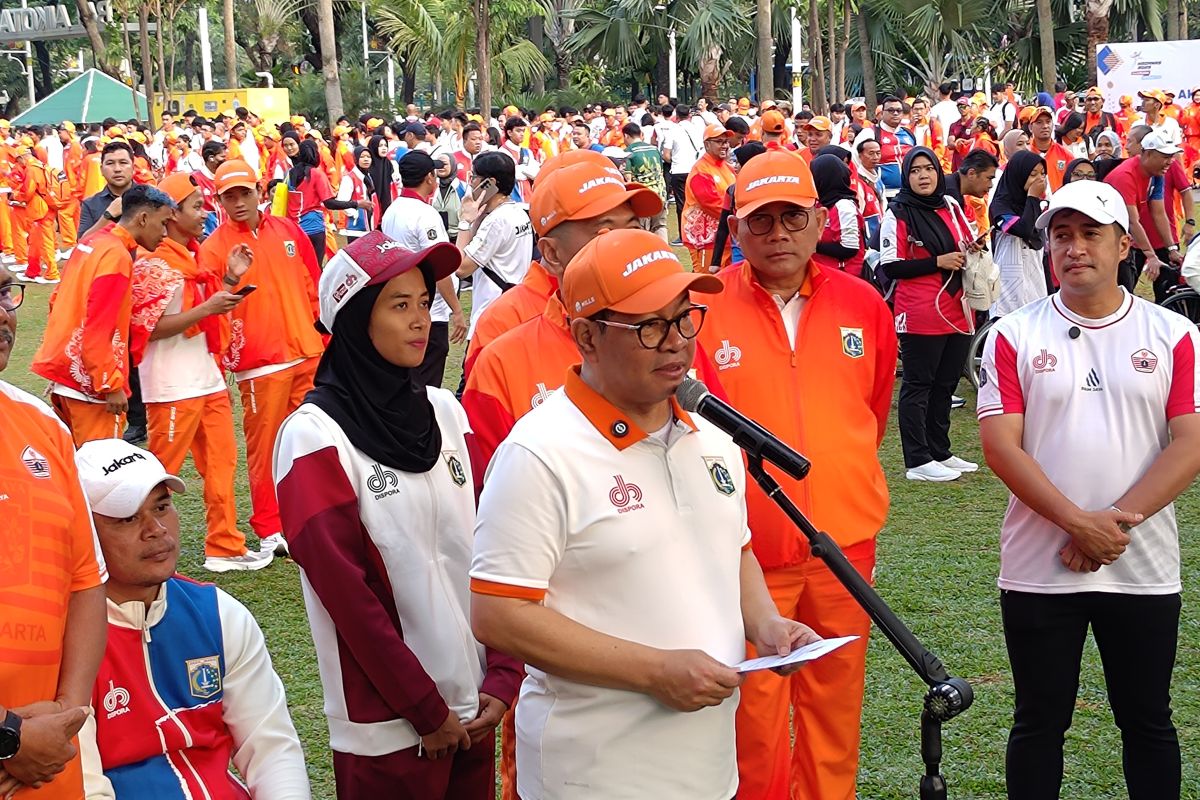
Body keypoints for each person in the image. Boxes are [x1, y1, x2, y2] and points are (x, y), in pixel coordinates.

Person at [470, 227, 820, 800]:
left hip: (706, 767)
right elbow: (499, 614)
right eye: (649, 327)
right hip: (593, 775)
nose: (677, 343)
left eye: (685, 319)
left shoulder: (709, 435)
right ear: (585, 336)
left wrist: (767, 626)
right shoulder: (539, 453)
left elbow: (732, 549)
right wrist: (654, 671)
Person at [274, 233, 521, 799]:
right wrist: (424, 708)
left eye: (424, 301)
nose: (421, 320)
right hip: (388, 729)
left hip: (475, 702)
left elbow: (495, 544)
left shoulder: (446, 412)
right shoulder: (314, 437)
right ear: (355, 319)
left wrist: (502, 676)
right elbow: (347, 594)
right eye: (399, 304)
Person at [978, 180, 1200, 800]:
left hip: (1142, 564)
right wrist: (1077, 523)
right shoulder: (1013, 334)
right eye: (1061, 235)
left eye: (1090, 233)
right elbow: (1001, 447)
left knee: (1147, 721)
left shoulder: (1174, 334)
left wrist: (1110, 525)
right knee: (1039, 722)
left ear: (1123, 243)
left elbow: (1191, 444)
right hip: (1039, 568)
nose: (1074, 248)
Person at [692, 150, 897, 800]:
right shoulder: (704, 309)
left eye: (792, 217)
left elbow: (871, 410)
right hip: (748, 556)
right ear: (736, 225)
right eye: (761, 221)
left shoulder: (863, 306)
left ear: (817, 218)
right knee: (753, 723)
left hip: (843, 550)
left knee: (835, 716)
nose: (778, 234)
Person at [71, 439, 308, 799]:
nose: (156, 529)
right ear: (82, 533)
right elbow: (84, 787)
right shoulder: (63, 638)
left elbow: (271, 748)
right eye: (128, 518)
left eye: (162, 507)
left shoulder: (218, 612)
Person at [130, 173, 273, 573]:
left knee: (222, 464)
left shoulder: (189, 257)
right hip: (172, 385)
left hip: (205, 378)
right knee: (160, 473)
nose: (204, 212)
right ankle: (138, 547)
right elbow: (149, 328)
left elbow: (200, 306)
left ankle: (224, 546)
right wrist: (210, 308)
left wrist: (229, 279)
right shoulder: (153, 262)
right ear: (171, 214)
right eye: (196, 206)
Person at [0, 268, 107, 800]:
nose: (3, 311)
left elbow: (86, 579)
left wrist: (66, 717)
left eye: (4, 291)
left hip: (46, 761)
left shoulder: (43, 426)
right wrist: (9, 737)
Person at [197, 159, 324, 558]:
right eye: (228, 196)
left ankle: (312, 512)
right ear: (217, 200)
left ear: (260, 191)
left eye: (244, 193)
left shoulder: (287, 229)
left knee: (311, 440)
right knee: (265, 448)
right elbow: (208, 306)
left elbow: (311, 281)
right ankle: (270, 526)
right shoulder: (214, 248)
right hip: (260, 363)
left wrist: (322, 331)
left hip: (306, 352)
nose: (238, 202)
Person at [31, 185, 175, 445]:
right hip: (90, 387)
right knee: (100, 471)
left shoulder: (92, 242)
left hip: (66, 374)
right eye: (163, 223)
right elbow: (99, 325)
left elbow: (56, 300)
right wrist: (110, 384)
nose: (165, 233)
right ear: (143, 218)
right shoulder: (116, 256)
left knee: (77, 466)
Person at [881, 147, 977, 482]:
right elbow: (889, 265)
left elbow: (963, 241)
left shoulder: (950, 204)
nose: (924, 176)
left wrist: (971, 250)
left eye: (929, 169)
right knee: (919, 384)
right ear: (906, 176)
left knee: (945, 383)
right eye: (915, 170)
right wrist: (937, 261)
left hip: (956, 306)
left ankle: (940, 451)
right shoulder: (899, 212)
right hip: (921, 309)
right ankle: (917, 460)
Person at [381, 151, 468, 387]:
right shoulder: (425, 214)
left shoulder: (393, 209)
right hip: (429, 311)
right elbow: (439, 268)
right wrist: (457, 310)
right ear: (429, 177)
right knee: (427, 381)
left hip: (402, 303)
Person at [456, 151, 534, 342]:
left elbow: (461, 268)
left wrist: (465, 222)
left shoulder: (497, 221)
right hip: (513, 309)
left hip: (490, 317)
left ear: (489, 183)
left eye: (474, 177)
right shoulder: (518, 212)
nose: (471, 182)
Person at [1103, 131, 1181, 297]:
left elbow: (1159, 213)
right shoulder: (1125, 176)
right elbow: (1132, 221)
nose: (1170, 162)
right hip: (1108, 238)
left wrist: (1171, 248)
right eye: (1165, 156)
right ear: (1148, 154)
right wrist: (1150, 255)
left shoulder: (1157, 174)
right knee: (1120, 292)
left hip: (1125, 237)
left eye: (1172, 156)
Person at [989, 150, 1048, 317]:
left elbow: (1041, 248)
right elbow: (1023, 229)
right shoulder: (1000, 206)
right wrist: (1032, 198)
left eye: (1043, 174)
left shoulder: (1038, 206)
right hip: (1007, 293)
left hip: (1035, 288)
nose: (1039, 179)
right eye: (1033, 174)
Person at [682, 123, 737, 272]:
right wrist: (740, 215)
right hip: (705, 240)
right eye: (719, 142)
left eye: (726, 142)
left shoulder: (727, 167)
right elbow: (713, 205)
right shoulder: (701, 171)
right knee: (707, 285)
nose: (725, 145)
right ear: (707, 145)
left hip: (724, 238)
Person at [810, 153, 866, 278]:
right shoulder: (821, 203)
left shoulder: (843, 206)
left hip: (844, 275)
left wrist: (811, 245)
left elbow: (849, 248)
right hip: (823, 273)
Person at [77, 141, 134, 241]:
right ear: (102, 170)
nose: (117, 169)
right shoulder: (90, 204)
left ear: (133, 168)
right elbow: (83, 243)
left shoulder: (149, 197)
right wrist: (107, 216)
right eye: (110, 163)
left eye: (123, 163)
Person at [622, 122, 668, 240]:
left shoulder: (628, 152)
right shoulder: (654, 149)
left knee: (643, 230)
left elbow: (628, 178)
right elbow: (661, 172)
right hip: (660, 193)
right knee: (660, 226)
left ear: (626, 136)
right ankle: (664, 252)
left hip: (643, 197)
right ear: (640, 134)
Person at [662, 105, 702, 241]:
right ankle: (697, 232)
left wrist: (674, 160)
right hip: (695, 169)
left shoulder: (673, 130)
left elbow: (666, 154)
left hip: (678, 170)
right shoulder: (696, 129)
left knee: (681, 204)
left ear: (677, 116)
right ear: (689, 115)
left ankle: (683, 235)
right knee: (696, 203)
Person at [876, 96, 916, 199]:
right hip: (884, 195)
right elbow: (857, 161)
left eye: (898, 110)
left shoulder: (908, 134)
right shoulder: (871, 133)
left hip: (909, 193)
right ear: (882, 113)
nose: (895, 113)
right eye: (891, 110)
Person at [1028, 106, 1074, 192]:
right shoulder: (1025, 154)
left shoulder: (1066, 155)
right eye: (1039, 122)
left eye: (1048, 122)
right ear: (1030, 127)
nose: (1045, 126)